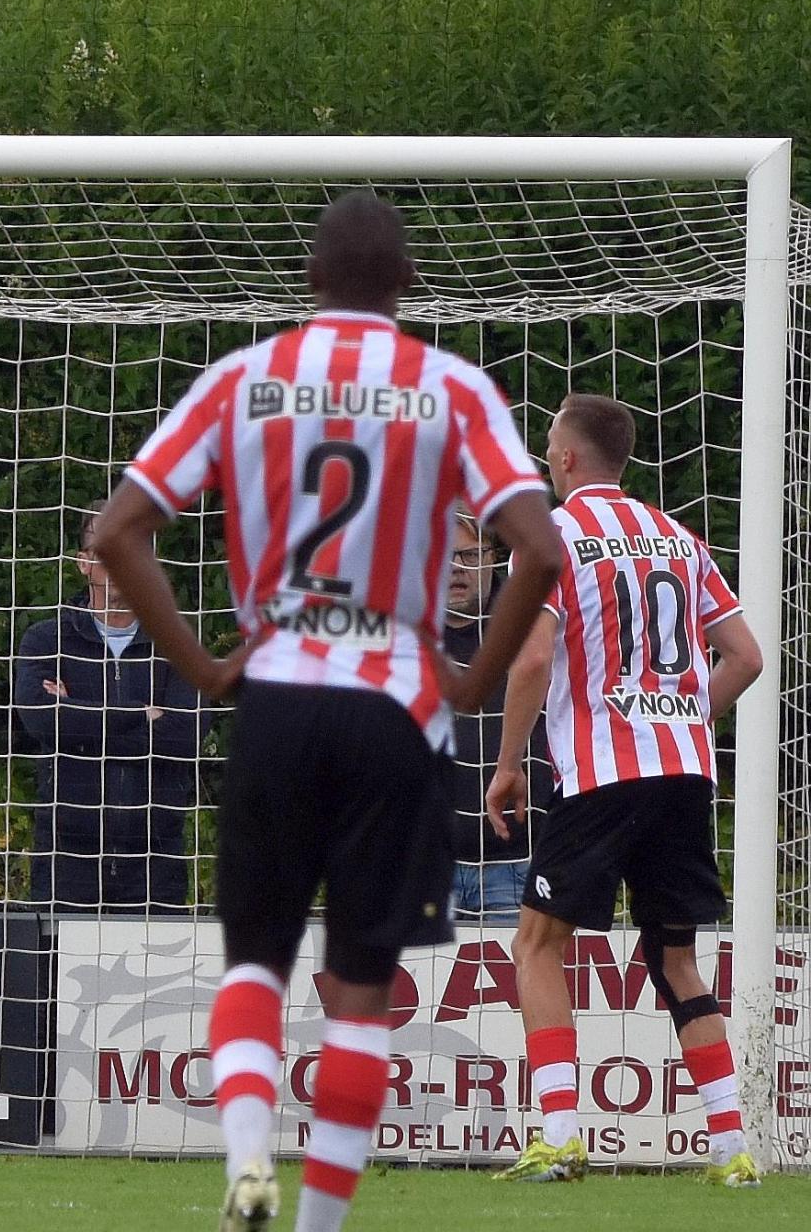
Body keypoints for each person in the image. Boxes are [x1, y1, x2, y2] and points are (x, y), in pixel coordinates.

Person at [93, 192, 561, 1232]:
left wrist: (210, 667)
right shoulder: (452, 386)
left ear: (308, 278)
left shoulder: (243, 378)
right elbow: (539, 547)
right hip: (395, 702)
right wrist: (475, 679)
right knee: (362, 984)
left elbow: (119, 528)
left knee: (257, 954)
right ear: (407, 284)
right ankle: (317, 1227)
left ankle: (251, 1156)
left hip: (281, 695)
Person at [487, 393, 765, 1188]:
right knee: (677, 957)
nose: (546, 457)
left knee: (539, 944)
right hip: (683, 773)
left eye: (548, 445)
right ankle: (731, 1151)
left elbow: (533, 662)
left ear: (568, 459)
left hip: (603, 775)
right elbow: (743, 655)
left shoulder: (552, 539)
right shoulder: (679, 537)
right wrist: (678, 717)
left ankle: (563, 1137)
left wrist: (509, 763)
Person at [14, 501, 207, 913]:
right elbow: (38, 720)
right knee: (55, 977)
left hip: (156, 864)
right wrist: (141, 715)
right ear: (83, 563)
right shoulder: (47, 639)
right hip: (67, 863)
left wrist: (78, 716)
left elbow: (185, 735)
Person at [444, 513, 551, 920]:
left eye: (469, 555)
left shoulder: (534, 625)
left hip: (519, 866)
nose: (456, 567)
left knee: (523, 982)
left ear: (493, 557)